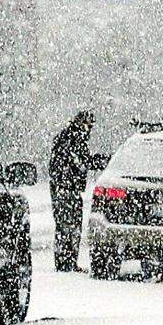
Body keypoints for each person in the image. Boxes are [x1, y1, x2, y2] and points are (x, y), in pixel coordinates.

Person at [49, 110, 97, 272]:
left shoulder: (69, 139)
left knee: (68, 226)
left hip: (65, 188)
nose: (89, 129)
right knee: (69, 227)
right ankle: (66, 262)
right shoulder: (73, 140)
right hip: (67, 189)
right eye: (88, 125)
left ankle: (66, 261)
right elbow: (79, 163)